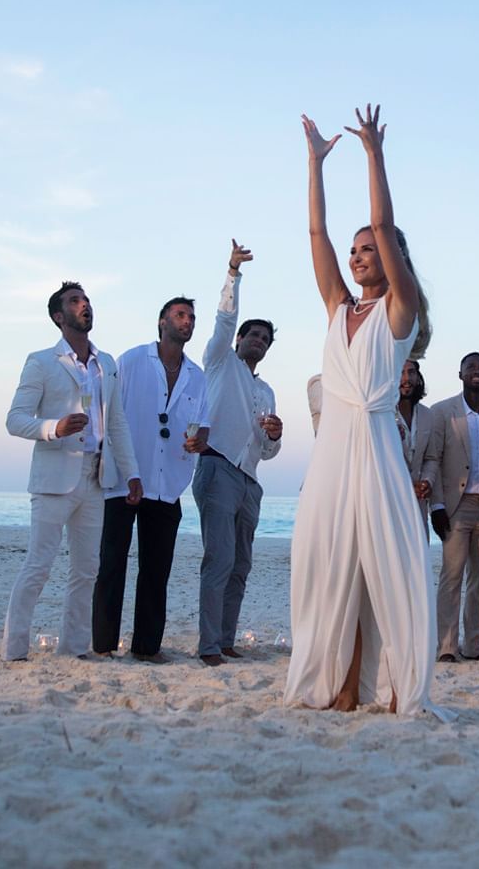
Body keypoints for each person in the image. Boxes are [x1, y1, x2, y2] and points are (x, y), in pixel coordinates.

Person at [284, 105, 443, 716]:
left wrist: (374, 154)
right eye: (354, 251)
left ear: (391, 255)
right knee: (328, 566)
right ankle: (340, 687)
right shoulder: (336, 305)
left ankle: (400, 686)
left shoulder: (398, 313)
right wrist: (315, 164)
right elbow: (315, 236)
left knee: (389, 569)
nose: (356, 255)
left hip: (375, 449)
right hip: (332, 453)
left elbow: (382, 218)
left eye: (368, 248)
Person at [1, 282, 140, 662]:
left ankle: (74, 649)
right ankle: (14, 650)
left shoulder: (106, 363)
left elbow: (117, 424)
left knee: (87, 569)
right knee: (39, 565)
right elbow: (15, 419)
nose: (85, 306)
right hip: (53, 478)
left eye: (87, 300)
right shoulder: (42, 361)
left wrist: (131, 473)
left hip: (96, 478)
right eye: (75, 302)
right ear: (59, 317)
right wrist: (54, 428)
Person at [92, 293, 208, 663]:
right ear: (162, 322)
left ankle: (146, 647)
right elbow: (109, 414)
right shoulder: (130, 361)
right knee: (112, 565)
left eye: (191, 316)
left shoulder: (197, 377)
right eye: (179, 314)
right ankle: (104, 645)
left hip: (168, 483)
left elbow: (204, 427)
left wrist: (199, 440)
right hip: (125, 479)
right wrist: (123, 470)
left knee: (156, 571)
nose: (186, 321)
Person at [191, 240, 282, 667]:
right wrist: (233, 272)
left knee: (241, 565)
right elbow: (224, 319)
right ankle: (209, 645)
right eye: (255, 335)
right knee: (220, 559)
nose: (259, 342)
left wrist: (276, 436)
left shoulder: (266, 391)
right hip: (217, 467)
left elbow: (267, 451)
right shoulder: (220, 361)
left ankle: (226, 639)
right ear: (241, 338)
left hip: (249, 479)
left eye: (266, 339)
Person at [429, 351, 479, 662]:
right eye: (471, 367)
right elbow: (433, 459)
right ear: (460, 374)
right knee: (452, 577)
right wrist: (436, 505)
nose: (477, 371)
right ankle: (446, 646)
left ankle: (473, 645)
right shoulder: (442, 411)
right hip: (455, 506)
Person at [395, 359, 444, 541]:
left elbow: (431, 457)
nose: (406, 378)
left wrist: (427, 482)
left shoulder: (427, 414)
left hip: (418, 504)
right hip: (389, 501)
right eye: (400, 372)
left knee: (418, 560)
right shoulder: (381, 413)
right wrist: (407, 486)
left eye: (411, 372)